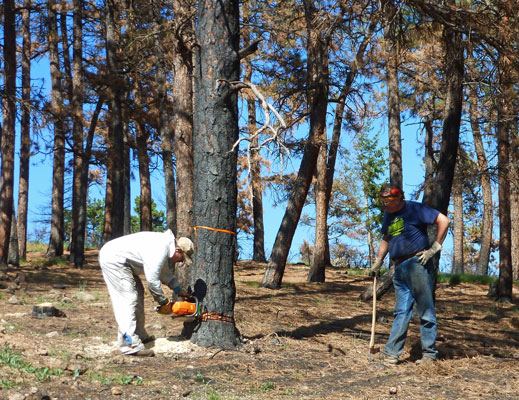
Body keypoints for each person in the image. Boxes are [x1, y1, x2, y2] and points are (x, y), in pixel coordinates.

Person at [370, 183, 450, 365]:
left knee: (425, 309)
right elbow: (386, 238)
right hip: (399, 267)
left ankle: (429, 354)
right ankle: (392, 353)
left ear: (399, 198)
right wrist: (378, 261)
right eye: (383, 200)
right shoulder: (389, 215)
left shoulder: (414, 208)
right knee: (401, 311)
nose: (385, 203)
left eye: (388, 200)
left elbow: (443, 220)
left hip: (417, 264)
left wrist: (434, 247)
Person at [99, 229, 194, 356]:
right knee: (127, 299)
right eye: (182, 258)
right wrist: (163, 301)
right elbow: (152, 281)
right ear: (178, 250)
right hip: (114, 260)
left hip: (122, 262)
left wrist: (178, 290)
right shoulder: (160, 248)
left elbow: (163, 274)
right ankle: (129, 344)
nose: (181, 261)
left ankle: (139, 334)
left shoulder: (164, 246)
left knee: (137, 294)